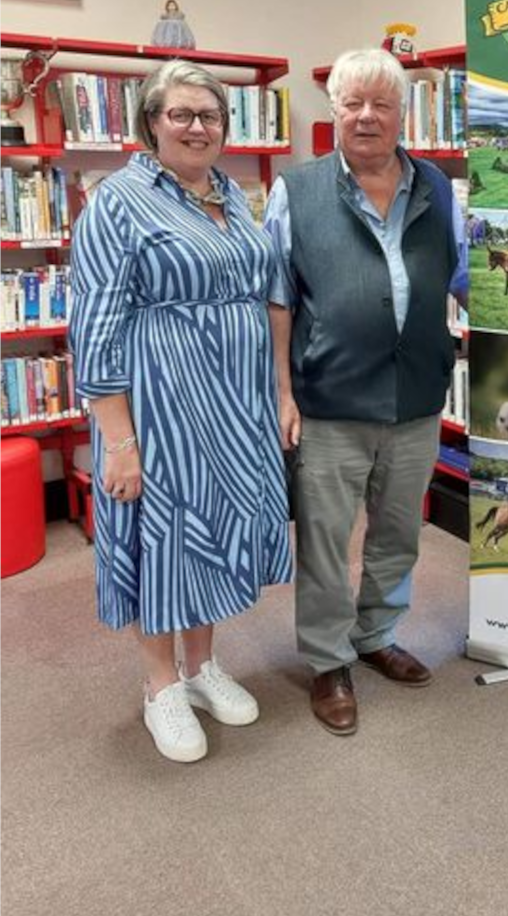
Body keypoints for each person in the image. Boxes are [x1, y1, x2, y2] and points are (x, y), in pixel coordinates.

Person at [69, 60, 292, 763]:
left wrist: (277, 392)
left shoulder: (234, 193)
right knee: (164, 536)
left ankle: (201, 667)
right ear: (151, 123)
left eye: (211, 116)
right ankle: (160, 684)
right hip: (160, 404)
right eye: (182, 114)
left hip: (236, 403)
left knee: (217, 529)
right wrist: (119, 442)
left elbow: (264, 297)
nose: (199, 127)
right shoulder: (119, 202)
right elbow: (95, 327)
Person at [265, 48, 469, 738]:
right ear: (334, 112)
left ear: (402, 114)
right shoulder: (296, 191)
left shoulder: (436, 187)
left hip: (415, 398)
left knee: (398, 533)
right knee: (324, 540)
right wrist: (283, 393)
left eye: (382, 103)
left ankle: (376, 634)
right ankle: (328, 659)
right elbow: (278, 302)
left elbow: (460, 277)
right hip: (330, 399)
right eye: (352, 103)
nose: (367, 116)